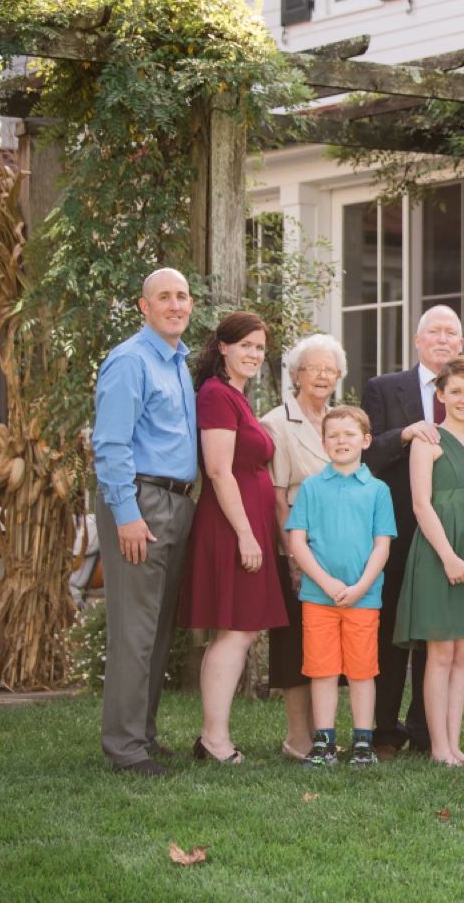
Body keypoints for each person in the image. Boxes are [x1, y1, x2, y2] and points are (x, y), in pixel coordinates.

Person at [91, 268, 199, 776]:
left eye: (181, 296)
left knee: (157, 630)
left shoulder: (177, 362)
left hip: (177, 501)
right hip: (141, 503)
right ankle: (124, 749)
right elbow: (111, 445)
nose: (175, 305)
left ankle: (144, 735)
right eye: (164, 297)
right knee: (134, 629)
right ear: (144, 306)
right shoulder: (130, 361)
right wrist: (126, 514)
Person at [181, 311, 288, 765]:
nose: (254, 354)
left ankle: (213, 737)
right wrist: (246, 534)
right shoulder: (216, 396)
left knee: (237, 631)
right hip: (232, 525)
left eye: (260, 348)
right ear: (222, 347)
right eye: (245, 344)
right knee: (236, 631)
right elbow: (220, 470)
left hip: (250, 522)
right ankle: (215, 740)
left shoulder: (237, 397)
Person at [361, 304, 464, 760]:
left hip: (449, 535)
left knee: (434, 633)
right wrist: (404, 433)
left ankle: (425, 730)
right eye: (434, 332)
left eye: (451, 333)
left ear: (461, 345)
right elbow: (364, 455)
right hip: (398, 531)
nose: (442, 340)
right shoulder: (384, 389)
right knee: (389, 635)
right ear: (418, 341)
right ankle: (384, 730)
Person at [393, 356, 464, 767]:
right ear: (440, 395)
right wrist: (450, 558)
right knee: (440, 655)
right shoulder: (428, 441)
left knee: (462, 656)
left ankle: (454, 743)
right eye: (455, 391)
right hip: (440, 556)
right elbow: (421, 505)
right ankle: (438, 746)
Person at [285, 406, 396, 767]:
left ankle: (363, 741)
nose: (341, 441)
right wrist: (327, 582)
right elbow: (298, 543)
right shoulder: (311, 489)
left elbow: (382, 544)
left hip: (364, 598)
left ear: (365, 440)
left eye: (349, 434)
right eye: (333, 435)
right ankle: (324, 742)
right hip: (319, 597)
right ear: (323, 443)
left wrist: (362, 585)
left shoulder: (378, 490)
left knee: (363, 670)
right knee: (323, 669)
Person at [260, 333, 348, 760]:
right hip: (298, 546)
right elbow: (276, 497)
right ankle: (298, 736)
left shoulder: (340, 420)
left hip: (339, 547)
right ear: (296, 374)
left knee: (328, 640)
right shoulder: (277, 422)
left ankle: (322, 731)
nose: (323, 376)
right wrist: (292, 557)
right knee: (295, 640)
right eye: (314, 368)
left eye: (330, 369)